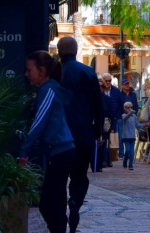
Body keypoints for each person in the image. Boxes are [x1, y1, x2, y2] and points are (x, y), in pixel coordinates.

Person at [19, 51, 76, 233]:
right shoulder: (50, 88)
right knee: (54, 202)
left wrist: (24, 150)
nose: (27, 74)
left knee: (49, 203)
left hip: (61, 152)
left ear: (41, 71)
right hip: (61, 152)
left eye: (29, 70)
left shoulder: (48, 89)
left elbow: (39, 122)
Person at [56, 36, 104, 232]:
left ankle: (59, 216)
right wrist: (98, 130)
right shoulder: (88, 72)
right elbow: (98, 104)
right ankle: (75, 201)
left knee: (58, 177)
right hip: (83, 134)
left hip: (58, 136)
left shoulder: (54, 73)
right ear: (75, 51)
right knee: (79, 176)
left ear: (59, 52)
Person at [99, 73, 121, 167]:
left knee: (110, 139)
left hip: (113, 118)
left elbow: (120, 104)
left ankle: (109, 159)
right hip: (102, 117)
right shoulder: (100, 91)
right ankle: (104, 159)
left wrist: (117, 115)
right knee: (103, 139)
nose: (108, 82)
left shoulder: (116, 91)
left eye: (109, 81)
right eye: (106, 81)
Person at [116, 78, 139, 161]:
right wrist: (119, 115)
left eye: (128, 84)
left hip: (131, 117)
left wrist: (134, 115)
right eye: (125, 84)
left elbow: (135, 105)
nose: (127, 85)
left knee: (131, 134)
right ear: (122, 85)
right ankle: (122, 154)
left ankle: (130, 154)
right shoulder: (119, 94)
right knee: (122, 135)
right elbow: (118, 105)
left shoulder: (133, 94)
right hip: (122, 117)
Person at [120, 102, 139, 170]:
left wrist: (145, 125)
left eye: (131, 107)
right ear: (124, 108)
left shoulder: (134, 116)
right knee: (127, 150)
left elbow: (137, 125)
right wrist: (130, 113)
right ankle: (125, 160)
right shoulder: (123, 115)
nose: (130, 109)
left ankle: (131, 165)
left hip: (132, 136)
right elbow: (125, 118)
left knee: (132, 151)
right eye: (128, 108)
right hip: (126, 136)